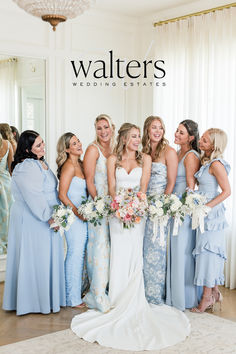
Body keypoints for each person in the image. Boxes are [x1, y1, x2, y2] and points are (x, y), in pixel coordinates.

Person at [71, 123, 190, 351]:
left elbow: (143, 188)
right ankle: (116, 298)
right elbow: (112, 187)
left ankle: (135, 299)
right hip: (116, 216)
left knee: (134, 256)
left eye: (138, 136)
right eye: (133, 136)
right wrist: (118, 207)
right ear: (124, 138)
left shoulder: (145, 158)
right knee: (119, 256)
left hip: (137, 216)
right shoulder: (112, 159)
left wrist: (134, 207)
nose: (138, 140)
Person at [3, 130, 66, 315]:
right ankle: (33, 303)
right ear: (27, 149)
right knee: (35, 259)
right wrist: (50, 216)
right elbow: (34, 196)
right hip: (34, 219)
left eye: (42, 143)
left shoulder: (40, 162)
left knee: (44, 258)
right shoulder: (27, 167)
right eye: (38, 145)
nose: (43, 147)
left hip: (46, 218)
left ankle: (47, 299)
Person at [191, 128, 230, 313]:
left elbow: (227, 191)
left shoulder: (216, 165)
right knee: (205, 253)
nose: (200, 141)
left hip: (212, 216)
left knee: (208, 254)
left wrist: (207, 207)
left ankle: (207, 298)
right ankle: (214, 292)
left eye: (205, 140)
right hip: (202, 213)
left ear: (214, 144)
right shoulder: (206, 162)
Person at [142, 116, 178, 304]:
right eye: (154, 127)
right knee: (143, 251)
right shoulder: (144, 151)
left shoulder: (169, 152)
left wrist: (161, 207)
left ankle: (155, 295)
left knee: (157, 251)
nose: (157, 131)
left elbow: (171, 182)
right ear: (147, 130)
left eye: (161, 128)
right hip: (143, 207)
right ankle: (142, 291)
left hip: (159, 209)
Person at [166, 119, 201, 311]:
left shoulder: (191, 156)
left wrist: (178, 207)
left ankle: (184, 298)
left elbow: (190, 187)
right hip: (172, 208)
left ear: (191, 137)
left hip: (183, 211)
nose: (176, 134)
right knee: (174, 251)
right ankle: (173, 295)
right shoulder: (176, 152)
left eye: (181, 132)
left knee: (181, 253)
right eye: (177, 131)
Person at [82, 114, 115, 312]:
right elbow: (89, 181)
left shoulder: (115, 148)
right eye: (99, 128)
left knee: (111, 248)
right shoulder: (92, 150)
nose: (103, 132)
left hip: (115, 206)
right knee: (100, 249)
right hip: (99, 207)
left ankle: (110, 288)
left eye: (106, 127)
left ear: (112, 128)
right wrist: (99, 205)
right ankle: (97, 293)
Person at [56, 133, 88, 308]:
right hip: (74, 218)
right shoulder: (68, 166)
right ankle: (71, 298)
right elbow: (62, 195)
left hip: (83, 216)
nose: (78, 144)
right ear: (67, 149)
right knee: (75, 255)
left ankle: (75, 293)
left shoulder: (81, 165)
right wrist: (77, 213)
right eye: (74, 143)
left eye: (78, 141)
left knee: (80, 255)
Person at [0, 133, 13, 254]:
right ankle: (6, 242)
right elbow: (11, 169)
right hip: (6, 183)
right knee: (7, 213)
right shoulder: (7, 144)